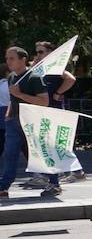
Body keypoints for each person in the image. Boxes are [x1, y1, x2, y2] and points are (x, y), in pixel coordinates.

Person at [0, 47, 59, 199]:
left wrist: (19, 94)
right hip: (14, 122)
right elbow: (14, 99)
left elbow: (44, 101)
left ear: (22, 59)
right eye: (7, 58)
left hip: (33, 123)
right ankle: (3, 186)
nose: (8, 62)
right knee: (9, 154)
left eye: (11, 58)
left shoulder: (34, 77)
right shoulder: (12, 77)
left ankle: (54, 183)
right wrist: (9, 113)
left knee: (41, 153)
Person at [33, 40, 82, 182]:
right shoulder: (41, 68)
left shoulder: (55, 67)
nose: (38, 55)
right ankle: (64, 172)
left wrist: (58, 92)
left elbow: (71, 79)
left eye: (41, 52)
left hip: (53, 108)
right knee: (51, 142)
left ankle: (73, 171)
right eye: (37, 52)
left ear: (50, 53)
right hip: (44, 109)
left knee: (54, 142)